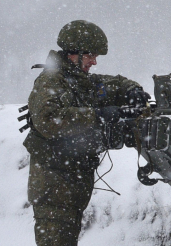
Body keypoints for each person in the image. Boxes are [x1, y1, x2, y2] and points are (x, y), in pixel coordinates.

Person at [23, 20, 149, 246]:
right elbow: (48, 120)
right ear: (74, 53)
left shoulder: (80, 80)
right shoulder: (51, 80)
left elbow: (115, 83)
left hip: (71, 181)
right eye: (90, 55)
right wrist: (98, 115)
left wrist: (133, 91)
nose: (94, 61)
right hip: (54, 187)